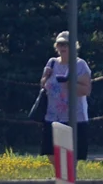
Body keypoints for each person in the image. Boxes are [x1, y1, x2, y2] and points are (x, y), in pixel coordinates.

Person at [39, 31, 92, 161]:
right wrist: (45, 77)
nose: (63, 47)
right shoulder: (51, 63)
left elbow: (86, 90)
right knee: (51, 153)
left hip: (75, 117)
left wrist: (70, 83)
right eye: (60, 44)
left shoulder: (80, 65)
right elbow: (43, 85)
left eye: (66, 44)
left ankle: (69, 180)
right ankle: (60, 178)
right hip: (52, 116)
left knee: (71, 157)